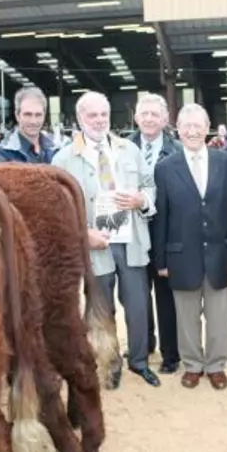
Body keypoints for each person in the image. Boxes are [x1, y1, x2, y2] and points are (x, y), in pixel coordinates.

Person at [52, 91, 160, 388]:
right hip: (95, 246)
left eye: (104, 114)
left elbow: (150, 187)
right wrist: (82, 234)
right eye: (92, 115)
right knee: (102, 309)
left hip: (132, 241)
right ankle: (110, 364)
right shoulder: (63, 159)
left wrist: (141, 199)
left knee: (138, 305)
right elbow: (58, 210)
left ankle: (139, 361)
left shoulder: (129, 150)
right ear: (79, 119)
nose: (99, 120)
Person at [154, 103, 227, 390]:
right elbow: (161, 217)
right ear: (177, 129)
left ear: (207, 128)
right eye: (186, 126)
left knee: (219, 315)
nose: (192, 131)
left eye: (198, 125)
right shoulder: (165, 168)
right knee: (186, 316)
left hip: (219, 253)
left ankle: (216, 365)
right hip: (181, 254)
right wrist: (161, 260)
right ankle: (193, 364)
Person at [129, 93, 183, 373]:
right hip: (133, 232)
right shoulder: (122, 149)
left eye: (155, 114)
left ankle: (171, 354)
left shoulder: (178, 151)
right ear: (136, 117)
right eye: (144, 113)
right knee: (137, 294)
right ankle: (143, 343)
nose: (149, 119)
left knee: (166, 295)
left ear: (165, 119)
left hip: (166, 233)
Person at [0, 87, 58, 164]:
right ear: (17, 116)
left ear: (44, 116)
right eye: (27, 114)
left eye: (38, 115)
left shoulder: (56, 150)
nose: (33, 121)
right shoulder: (1, 156)